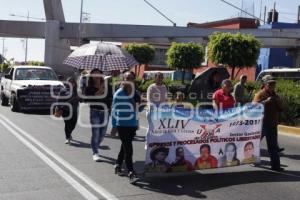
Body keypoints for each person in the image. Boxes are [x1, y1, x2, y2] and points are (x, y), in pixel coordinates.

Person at [112, 71, 143, 183]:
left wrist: (142, 105)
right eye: (127, 78)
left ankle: (117, 165)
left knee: (124, 147)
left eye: (131, 78)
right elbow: (114, 110)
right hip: (122, 124)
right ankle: (131, 173)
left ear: (134, 80)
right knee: (128, 150)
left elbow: (138, 110)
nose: (129, 80)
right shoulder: (119, 94)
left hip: (132, 124)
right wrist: (114, 126)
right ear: (123, 80)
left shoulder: (136, 93)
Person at [253, 75, 284, 171]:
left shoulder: (275, 95)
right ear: (265, 85)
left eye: (273, 84)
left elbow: (281, 109)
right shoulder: (260, 94)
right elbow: (254, 106)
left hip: (272, 125)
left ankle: (276, 166)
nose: (272, 86)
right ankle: (252, 159)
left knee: (273, 146)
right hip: (261, 125)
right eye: (270, 84)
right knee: (255, 143)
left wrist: (278, 102)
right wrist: (265, 101)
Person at [85, 69, 112, 162]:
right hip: (95, 111)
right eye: (94, 74)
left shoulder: (108, 86)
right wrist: (101, 87)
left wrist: (111, 109)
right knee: (96, 133)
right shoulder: (89, 87)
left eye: (98, 73)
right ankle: (95, 152)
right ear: (91, 76)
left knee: (103, 133)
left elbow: (110, 98)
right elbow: (91, 98)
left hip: (105, 111)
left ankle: (95, 145)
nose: (96, 75)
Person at [57, 77, 80, 144]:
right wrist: (58, 108)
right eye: (69, 82)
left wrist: (80, 98)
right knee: (67, 124)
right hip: (65, 110)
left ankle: (69, 133)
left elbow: (81, 100)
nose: (71, 83)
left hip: (74, 110)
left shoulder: (77, 91)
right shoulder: (63, 91)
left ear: (74, 83)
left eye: (72, 82)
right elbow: (59, 100)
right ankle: (67, 137)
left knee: (73, 124)